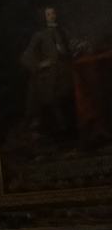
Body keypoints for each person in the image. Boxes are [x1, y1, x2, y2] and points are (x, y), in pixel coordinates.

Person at [19, 7, 77, 139]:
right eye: (49, 14)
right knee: (52, 104)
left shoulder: (63, 32)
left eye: (54, 13)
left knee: (68, 101)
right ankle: (57, 136)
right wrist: (39, 64)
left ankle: (70, 134)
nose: (52, 16)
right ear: (44, 17)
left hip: (64, 73)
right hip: (49, 76)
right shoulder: (40, 35)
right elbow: (26, 56)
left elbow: (69, 52)